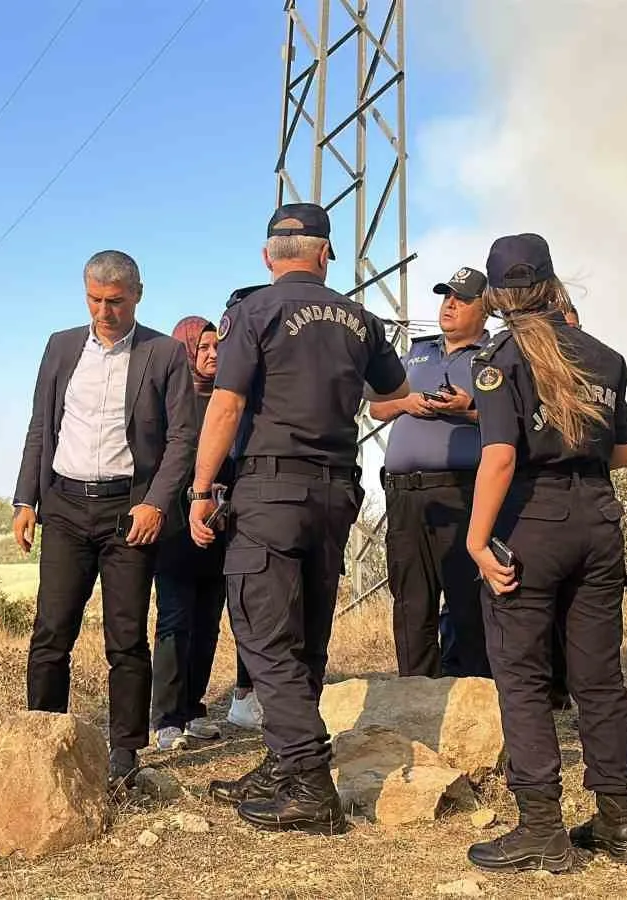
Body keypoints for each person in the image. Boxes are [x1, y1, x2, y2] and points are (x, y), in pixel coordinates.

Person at [188, 202, 409, 834]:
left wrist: (203, 489)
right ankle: (283, 764)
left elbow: (227, 404)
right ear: (324, 254)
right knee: (307, 633)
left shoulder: (251, 312)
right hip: (336, 492)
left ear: (267, 256)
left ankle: (309, 782)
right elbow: (389, 392)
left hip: (271, 490)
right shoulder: (360, 318)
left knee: (265, 637)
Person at [459, 234, 627, 873]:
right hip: (598, 518)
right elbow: (623, 454)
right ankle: (619, 820)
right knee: (599, 676)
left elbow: (501, 454)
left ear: (494, 295)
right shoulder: (607, 356)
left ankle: (541, 826)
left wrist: (477, 539)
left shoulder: (500, 359)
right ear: (552, 280)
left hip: (533, 523)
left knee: (524, 676)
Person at [10, 250, 197, 789]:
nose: (104, 311)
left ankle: (125, 752)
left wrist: (157, 503)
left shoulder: (163, 353)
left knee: (126, 639)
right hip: (64, 506)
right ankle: (41, 738)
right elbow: (40, 426)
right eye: (94, 299)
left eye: (115, 301)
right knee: (51, 632)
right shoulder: (62, 345)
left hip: (128, 511)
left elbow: (183, 438)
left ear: (137, 295)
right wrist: (26, 499)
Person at [369, 265, 493, 678]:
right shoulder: (416, 352)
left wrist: (467, 410)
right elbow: (377, 406)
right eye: (445, 296)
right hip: (404, 494)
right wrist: (405, 403)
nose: (449, 305)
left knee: (467, 600)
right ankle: (415, 694)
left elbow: (515, 421)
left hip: (462, 491)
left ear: (485, 307)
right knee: (411, 601)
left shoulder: (495, 357)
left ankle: (474, 696)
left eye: (461, 298)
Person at [150, 316, 232, 750]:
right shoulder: (169, 403)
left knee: (208, 623)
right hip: (177, 531)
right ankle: (166, 716)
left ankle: (193, 706)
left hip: (219, 529)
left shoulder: (230, 402)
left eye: (217, 346)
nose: (212, 355)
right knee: (175, 619)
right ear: (184, 351)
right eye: (202, 348)